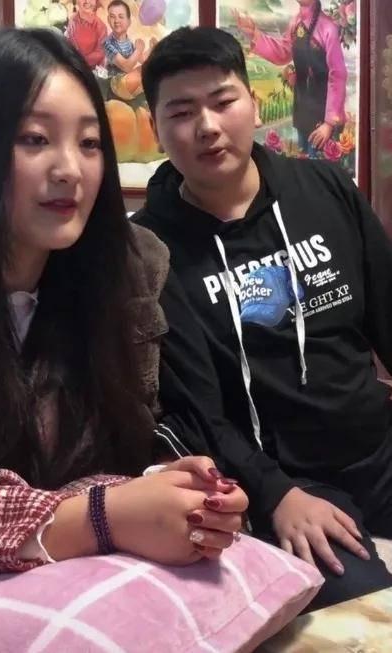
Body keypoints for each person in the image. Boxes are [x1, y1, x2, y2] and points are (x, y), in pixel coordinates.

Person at [0, 27, 248, 590]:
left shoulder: (117, 278)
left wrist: (162, 490)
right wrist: (103, 516)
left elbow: (103, 462)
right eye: (35, 139)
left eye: (89, 143)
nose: (70, 169)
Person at [135, 25, 392, 610]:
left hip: (378, 447)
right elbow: (198, 411)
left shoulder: (325, 187)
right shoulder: (151, 251)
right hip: (285, 479)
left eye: (222, 101)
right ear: (155, 127)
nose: (207, 126)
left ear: (253, 103)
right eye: (182, 112)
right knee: (362, 612)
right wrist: (276, 494)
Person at [235, 0, 347, 154]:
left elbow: (338, 74)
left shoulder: (328, 27)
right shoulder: (296, 22)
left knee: (317, 162)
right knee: (302, 156)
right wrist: (254, 33)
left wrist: (329, 123)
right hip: (302, 108)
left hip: (323, 113)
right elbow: (283, 52)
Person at [66, 0, 107, 69]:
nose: (87, 1)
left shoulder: (100, 26)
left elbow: (100, 53)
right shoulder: (72, 19)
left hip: (91, 70)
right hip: (72, 67)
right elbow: (68, 42)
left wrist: (79, 61)